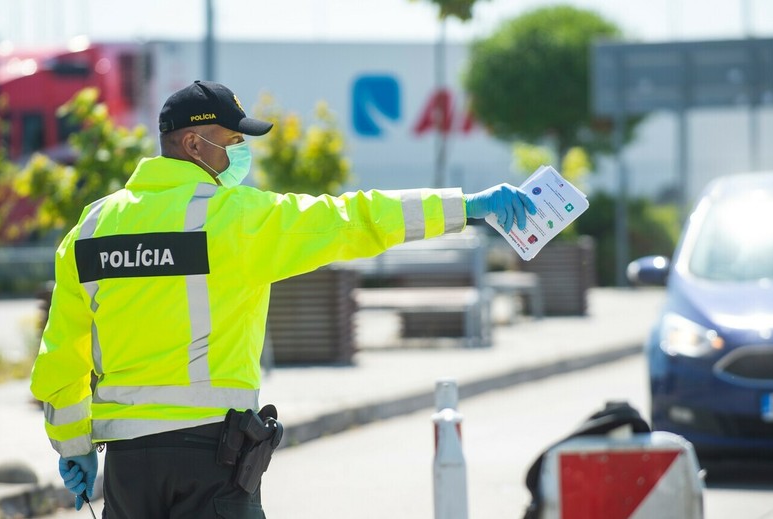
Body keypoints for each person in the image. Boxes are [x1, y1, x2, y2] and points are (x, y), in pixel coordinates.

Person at [30, 80, 535, 519]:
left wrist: (73, 447)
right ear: (193, 143)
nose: (239, 155)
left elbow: (61, 355)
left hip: (128, 470)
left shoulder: (92, 228)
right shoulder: (234, 218)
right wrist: (465, 206)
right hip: (211, 459)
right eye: (232, 141)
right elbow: (352, 219)